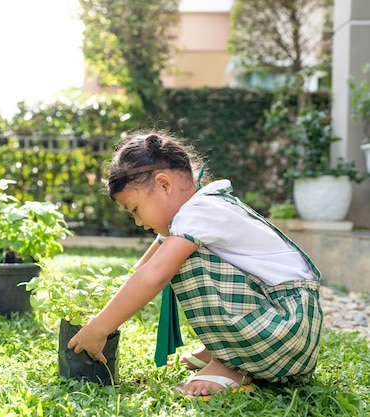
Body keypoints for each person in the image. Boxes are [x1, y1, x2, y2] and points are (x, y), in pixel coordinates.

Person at [67, 129, 323, 400]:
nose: (138, 222)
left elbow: (155, 273)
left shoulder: (199, 212)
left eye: (135, 210)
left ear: (164, 184)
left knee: (179, 259)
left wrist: (100, 328)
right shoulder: (203, 208)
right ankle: (225, 351)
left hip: (283, 330)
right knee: (171, 251)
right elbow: (143, 269)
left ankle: (232, 367)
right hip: (289, 329)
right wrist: (106, 308)